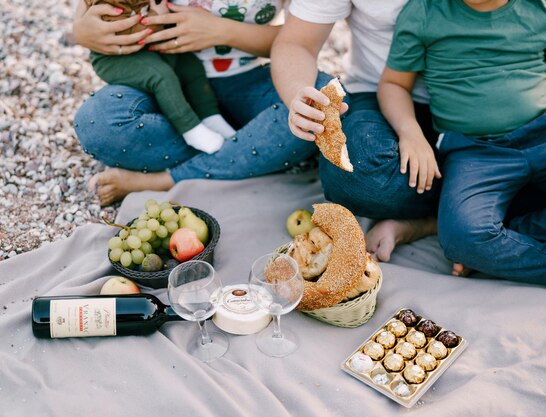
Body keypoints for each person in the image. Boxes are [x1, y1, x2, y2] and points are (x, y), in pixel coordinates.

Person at [72, 0, 334, 206]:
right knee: (98, 120)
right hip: (165, 83)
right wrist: (82, 29)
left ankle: (163, 179)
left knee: (322, 101)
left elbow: (299, 40)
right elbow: (90, 10)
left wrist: (222, 31)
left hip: (249, 84)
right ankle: (248, 151)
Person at [377, 0, 546, 283]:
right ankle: (495, 242)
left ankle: (508, 232)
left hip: (540, 132)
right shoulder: (425, 12)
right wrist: (411, 132)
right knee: (462, 239)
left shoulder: (535, 7)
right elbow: (394, 83)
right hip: (475, 151)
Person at [271, 0, 441, 264]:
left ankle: (457, 216)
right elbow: (296, 42)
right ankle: (466, 210)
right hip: (380, 93)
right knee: (351, 170)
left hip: (482, 102)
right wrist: (298, 96)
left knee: (524, 159)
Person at [85, 0, 235, 154]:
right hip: (115, 57)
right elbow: (125, 32)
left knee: (190, 65)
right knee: (161, 76)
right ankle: (190, 128)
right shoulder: (110, 5)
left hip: (148, 46)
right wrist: (158, 15)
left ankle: (210, 116)